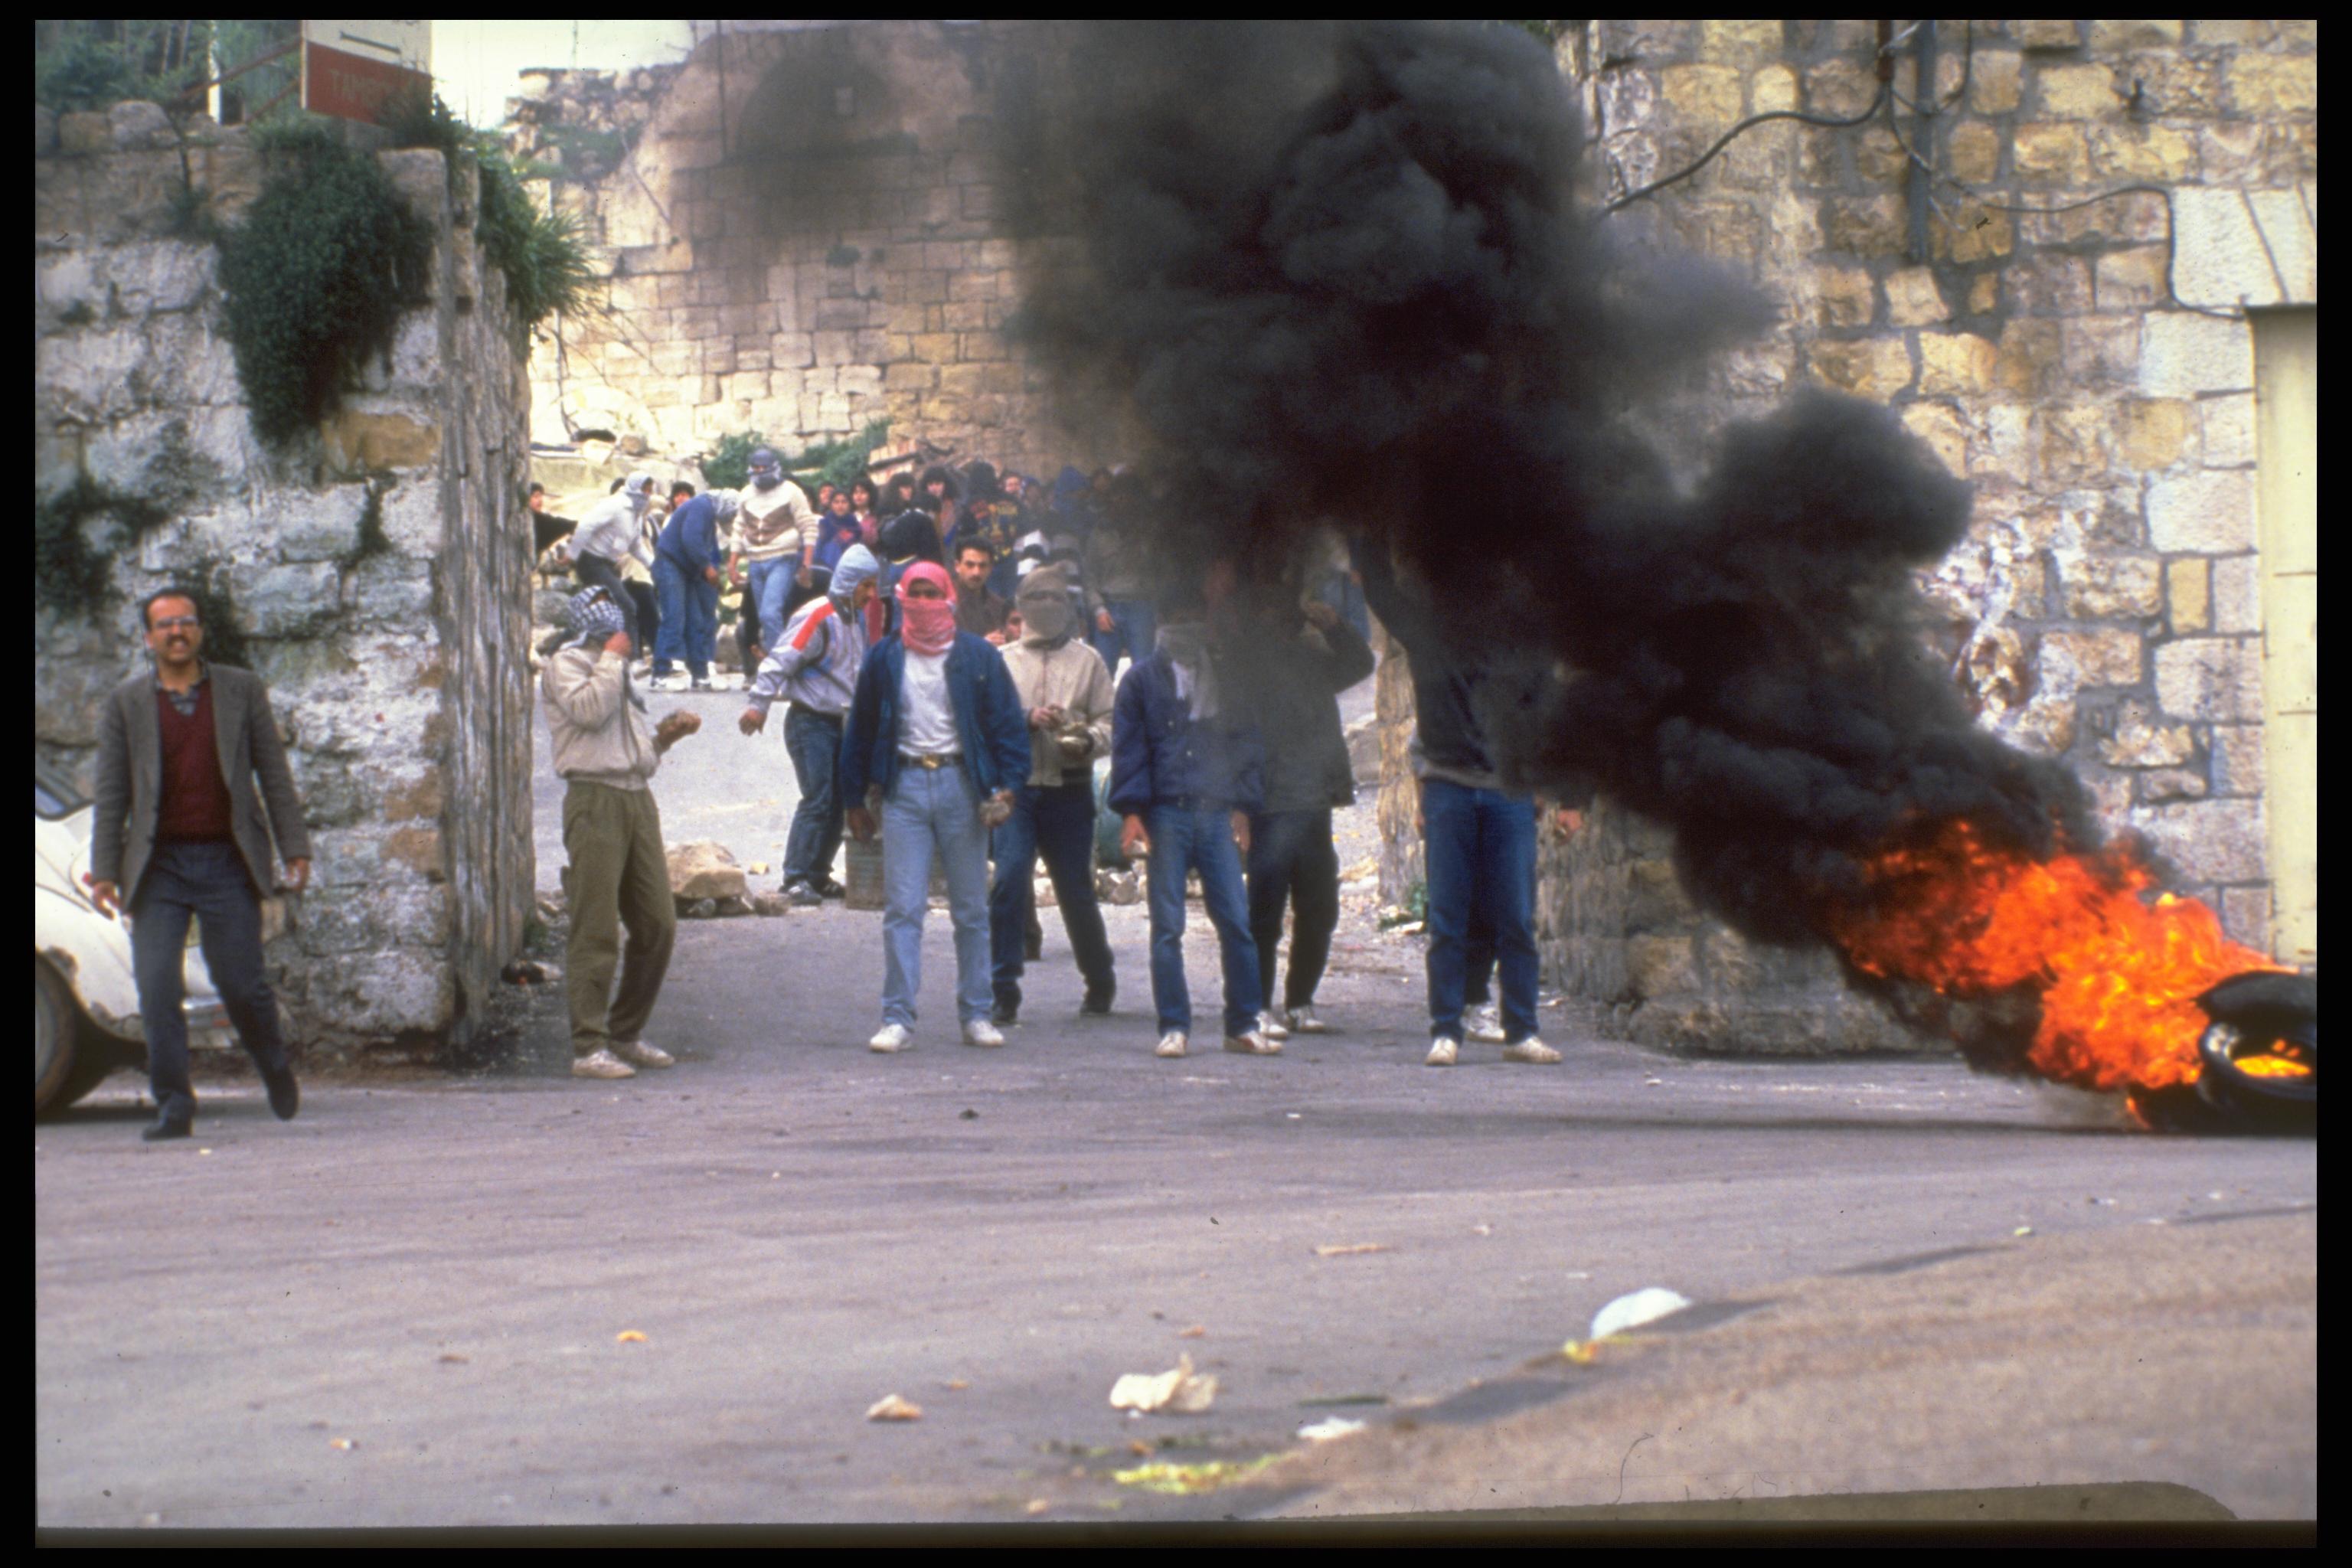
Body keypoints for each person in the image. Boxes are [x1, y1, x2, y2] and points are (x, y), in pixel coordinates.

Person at [86, 588, 312, 1141]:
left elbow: (273, 774)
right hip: (157, 864)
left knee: (241, 982)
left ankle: (273, 1063)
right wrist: (106, 869)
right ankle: (174, 1104)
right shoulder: (127, 703)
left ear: (200, 632)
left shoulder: (239, 690)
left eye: (185, 622)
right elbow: (112, 791)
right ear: (148, 638)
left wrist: (295, 847)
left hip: (226, 857)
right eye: (164, 625)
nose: (176, 632)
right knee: (156, 982)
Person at [1354, 538, 1576, 1067]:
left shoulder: (1527, 648)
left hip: (1508, 792)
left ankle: (1521, 1031)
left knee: (1516, 917)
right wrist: (1360, 520)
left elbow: (1552, 720)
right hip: (1450, 788)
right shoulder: (1431, 636)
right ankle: (1445, 1030)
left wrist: (1566, 794)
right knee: (1449, 918)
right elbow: (1381, 589)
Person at [838, 562, 1032, 1053]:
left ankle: (977, 1014)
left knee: (970, 908)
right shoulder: (884, 658)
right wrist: (852, 799)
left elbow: (1007, 723)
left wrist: (1009, 784)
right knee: (903, 910)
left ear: (948, 598)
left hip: (961, 788)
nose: (923, 601)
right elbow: (859, 730)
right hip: (903, 788)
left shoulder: (977, 657)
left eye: (932, 592)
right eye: (915, 593)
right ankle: (897, 1018)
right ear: (901, 596)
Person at [1109, 573, 1276, 1059]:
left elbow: (1247, 743)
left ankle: (1242, 1024)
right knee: (1168, 927)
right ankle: (1174, 1026)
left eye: (1193, 620)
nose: (1186, 629)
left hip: (1218, 813)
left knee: (1236, 923)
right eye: (1177, 621)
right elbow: (1129, 751)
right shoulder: (1140, 681)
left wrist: (1244, 806)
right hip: (1166, 816)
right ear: (1161, 624)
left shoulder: (1223, 677)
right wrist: (1132, 813)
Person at [542, 586, 702, 1079]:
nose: (623, 634)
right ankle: (588, 1045)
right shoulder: (567, 665)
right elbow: (589, 712)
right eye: (613, 627)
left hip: (635, 797)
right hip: (594, 799)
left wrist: (664, 738)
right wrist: (611, 661)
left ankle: (625, 1032)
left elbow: (634, 753)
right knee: (595, 925)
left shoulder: (618, 674)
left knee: (657, 923)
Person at [1239, 587, 1376, 1037]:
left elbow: (1361, 663)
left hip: (1315, 802)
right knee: (1265, 913)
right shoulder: (1246, 670)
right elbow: (1233, 740)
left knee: (1319, 910)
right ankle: (1258, 1004)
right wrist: (1237, 807)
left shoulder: (1314, 660)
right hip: (1270, 805)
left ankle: (1299, 1001)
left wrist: (1335, 626)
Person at [989, 566, 1118, 1025]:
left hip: (1071, 788)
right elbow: (988, 722)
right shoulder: (1002, 661)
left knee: (1075, 890)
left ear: (1069, 606)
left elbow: (1108, 721)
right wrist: (1027, 718)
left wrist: (1086, 741)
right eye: (1036, 597)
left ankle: (1100, 979)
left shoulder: (1089, 662)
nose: (1046, 605)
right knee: (1008, 883)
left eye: (1055, 597)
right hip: (1016, 790)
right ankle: (1003, 988)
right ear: (1019, 607)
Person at [740, 544, 884, 906]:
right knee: (818, 797)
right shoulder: (817, 617)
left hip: (842, 723)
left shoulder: (855, 619)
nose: (870, 595)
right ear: (850, 582)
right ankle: (795, 876)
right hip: (810, 722)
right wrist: (759, 704)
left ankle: (818, 874)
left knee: (840, 801)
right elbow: (780, 660)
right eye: (865, 586)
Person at [730, 447, 819, 659]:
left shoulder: (791, 491)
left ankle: (780, 668)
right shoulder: (746, 493)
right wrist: (732, 564)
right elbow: (739, 527)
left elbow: (808, 525)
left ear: (774, 468)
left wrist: (806, 562)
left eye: (764, 468)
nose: (760, 472)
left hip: (782, 558)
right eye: (756, 468)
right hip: (755, 561)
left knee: (770, 613)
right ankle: (778, 664)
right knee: (767, 617)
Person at [652, 487, 738, 691]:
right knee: (674, 617)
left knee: (695, 621)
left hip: (685, 569)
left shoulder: (707, 511)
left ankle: (700, 675)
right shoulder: (701, 506)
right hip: (670, 564)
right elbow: (690, 539)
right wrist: (707, 567)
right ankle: (661, 674)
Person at [566, 472, 658, 648]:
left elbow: (636, 545)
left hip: (607, 565)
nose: (647, 494)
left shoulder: (636, 515)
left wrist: (654, 566)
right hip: (591, 561)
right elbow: (586, 525)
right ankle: (629, 656)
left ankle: (605, 650)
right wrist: (572, 554)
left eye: (649, 490)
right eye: (644, 489)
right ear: (634, 487)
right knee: (627, 605)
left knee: (606, 608)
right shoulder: (616, 505)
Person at [1083, 482, 1155, 678]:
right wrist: (1098, 610)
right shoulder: (1098, 535)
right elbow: (1089, 578)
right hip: (1109, 608)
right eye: (1117, 499)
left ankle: (1144, 709)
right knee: (1102, 672)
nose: (1121, 503)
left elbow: (1160, 571)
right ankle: (1103, 709)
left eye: (1126, 498)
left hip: (1141, 606)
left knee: (1145, 670)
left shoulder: (1148, 533)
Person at [952, 540, 1011, 641]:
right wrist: (982, 645)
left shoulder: (999, 605)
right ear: (957, 566)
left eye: (982, 566)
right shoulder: (945, 603)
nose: (976, 572)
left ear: (991, 568)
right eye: (970, 565)